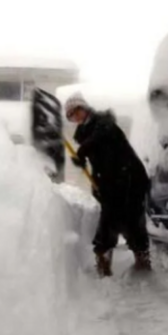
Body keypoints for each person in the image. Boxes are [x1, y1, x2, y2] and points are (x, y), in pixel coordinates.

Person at [64, 92, 151, 277]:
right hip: (111, 181)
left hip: (131, 178)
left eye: (75, 111)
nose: (74, 117)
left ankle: (141, 259)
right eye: (70, 115)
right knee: (110, 218)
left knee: (132, 218)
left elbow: (103, 137)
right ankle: (104, 262)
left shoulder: (104, 123)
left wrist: (84, 149)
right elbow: (100, 162)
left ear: (84, 107)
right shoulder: (86, 133)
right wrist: (86, 169)